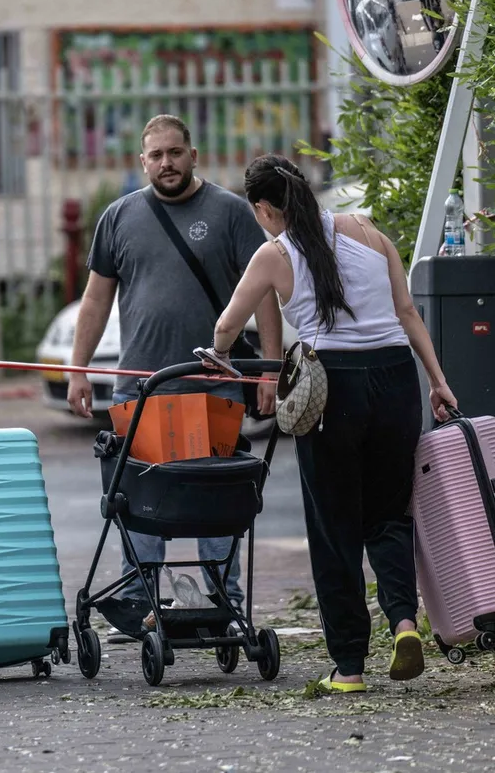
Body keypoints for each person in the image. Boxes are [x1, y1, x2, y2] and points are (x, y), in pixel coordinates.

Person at [202, 154, 458, 693]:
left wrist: (219, 356)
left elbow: (226, 326)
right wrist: (438, 381)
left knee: (334, 528)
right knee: (390, 515)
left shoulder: (275, 253)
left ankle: (349, 666)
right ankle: (404, 623)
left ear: (263, 209)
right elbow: (407, 312)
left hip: (330, 388)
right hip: (396, 378)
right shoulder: (366, 229)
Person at [66, 114, 283, 620]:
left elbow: (265, 295)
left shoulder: (230, 212)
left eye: (175, 152)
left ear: (193, 155)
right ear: (142, 161)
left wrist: (270, 372)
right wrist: (77, 369)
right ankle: (141, 600)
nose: (167, 163)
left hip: (214, 388)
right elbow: (95, 300)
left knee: (215, 503)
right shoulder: (118, 217)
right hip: (140, 390)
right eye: (157, 155)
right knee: (140, 502)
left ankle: (225, 604)